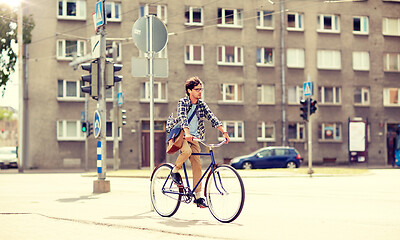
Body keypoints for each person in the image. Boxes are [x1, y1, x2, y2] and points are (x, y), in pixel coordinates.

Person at [167, 76, 230, 208]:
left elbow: (212, 117)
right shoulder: (183, 102)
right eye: (197, 89)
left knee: (197, 164)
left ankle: (198, 196)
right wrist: (187, 133)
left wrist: (224, 132)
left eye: (201, 89)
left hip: (195, 137)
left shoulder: (201, 104)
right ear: (189, 90)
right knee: (187, 151)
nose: (200, 92)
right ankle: (175, 170)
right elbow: (183, 117)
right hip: (182, 134)